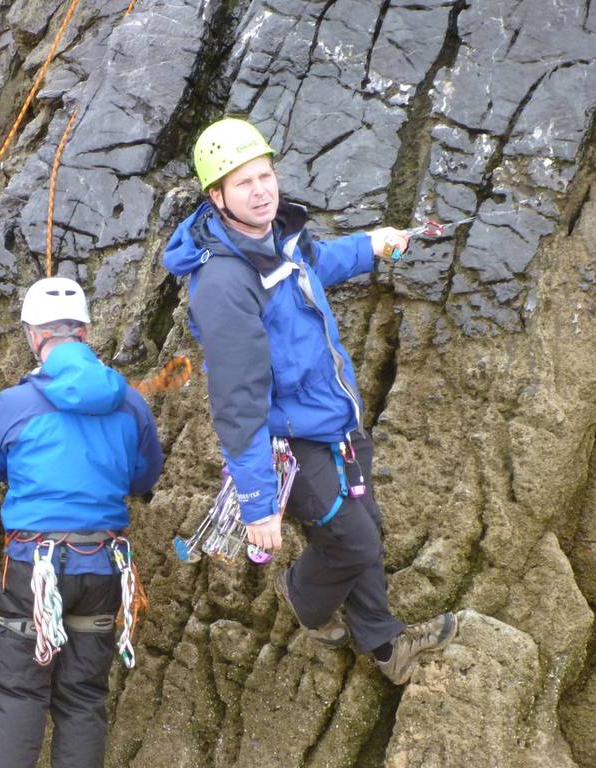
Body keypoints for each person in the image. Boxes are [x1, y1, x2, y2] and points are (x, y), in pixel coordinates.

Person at [163, 118, 457, 685]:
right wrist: (258, 499)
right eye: (242, 183)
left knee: (363, 530)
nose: (261, 191)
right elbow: (238, 398)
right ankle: (305, 598)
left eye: (265, 175)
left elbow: (315, 263)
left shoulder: (281, 235)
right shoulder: (224, 283)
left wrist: (373, 246)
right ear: (215, 196)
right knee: (353, 540)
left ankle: (385, 645)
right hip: (290, 441)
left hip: (334, 415)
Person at [0, 276, 164, 768]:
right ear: (87, 332)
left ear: (34, 336)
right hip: (102, 567)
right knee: (82, 698)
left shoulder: (16, 404)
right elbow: (145, 477)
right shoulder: (131, 403)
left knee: (17, 693)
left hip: (34, 568)